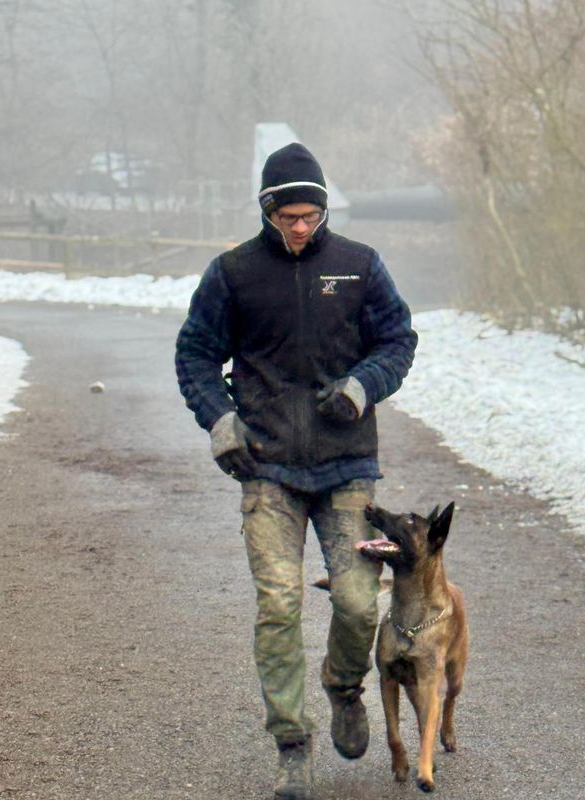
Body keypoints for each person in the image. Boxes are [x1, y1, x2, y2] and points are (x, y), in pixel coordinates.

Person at [175, 142, 417, 800]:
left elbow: (398, 339)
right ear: (267, 210)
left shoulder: (360, 267)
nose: (302, 227)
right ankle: (291, 742)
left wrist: (363, 387)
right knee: (279, 606)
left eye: (311, 215)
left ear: (325, 210)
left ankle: (343, 689)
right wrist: (221, 422)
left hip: (348, 470)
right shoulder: (233, 274)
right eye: (289, 217)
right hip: (269, 470)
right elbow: (195, 352)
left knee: (360, 604)